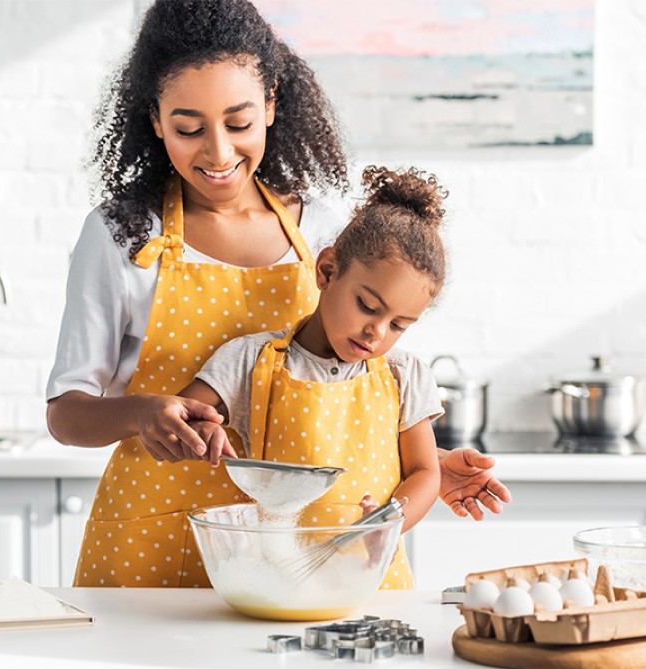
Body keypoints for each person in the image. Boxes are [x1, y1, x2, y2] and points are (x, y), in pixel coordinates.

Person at [46, 0, 510, 588]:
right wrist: (142, 413)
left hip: (296, 552)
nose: (217, 153)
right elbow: (66, 417)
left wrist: (423, 470)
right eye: (189, 128)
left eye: (238, 123)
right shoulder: (122, 235)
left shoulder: (318, 228)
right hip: (154, 541)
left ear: (270, 106)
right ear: (156, 119)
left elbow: (344, 389)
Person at [177, 165, 448, 588]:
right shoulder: (252, 360)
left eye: (399, 325)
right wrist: (198, 430)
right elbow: (182, 415)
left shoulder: (404, 375)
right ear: (326, 271)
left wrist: (386, 523)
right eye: (368, 306)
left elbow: (425, 472)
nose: (377, 333)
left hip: (372, 579)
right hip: (278, 578)